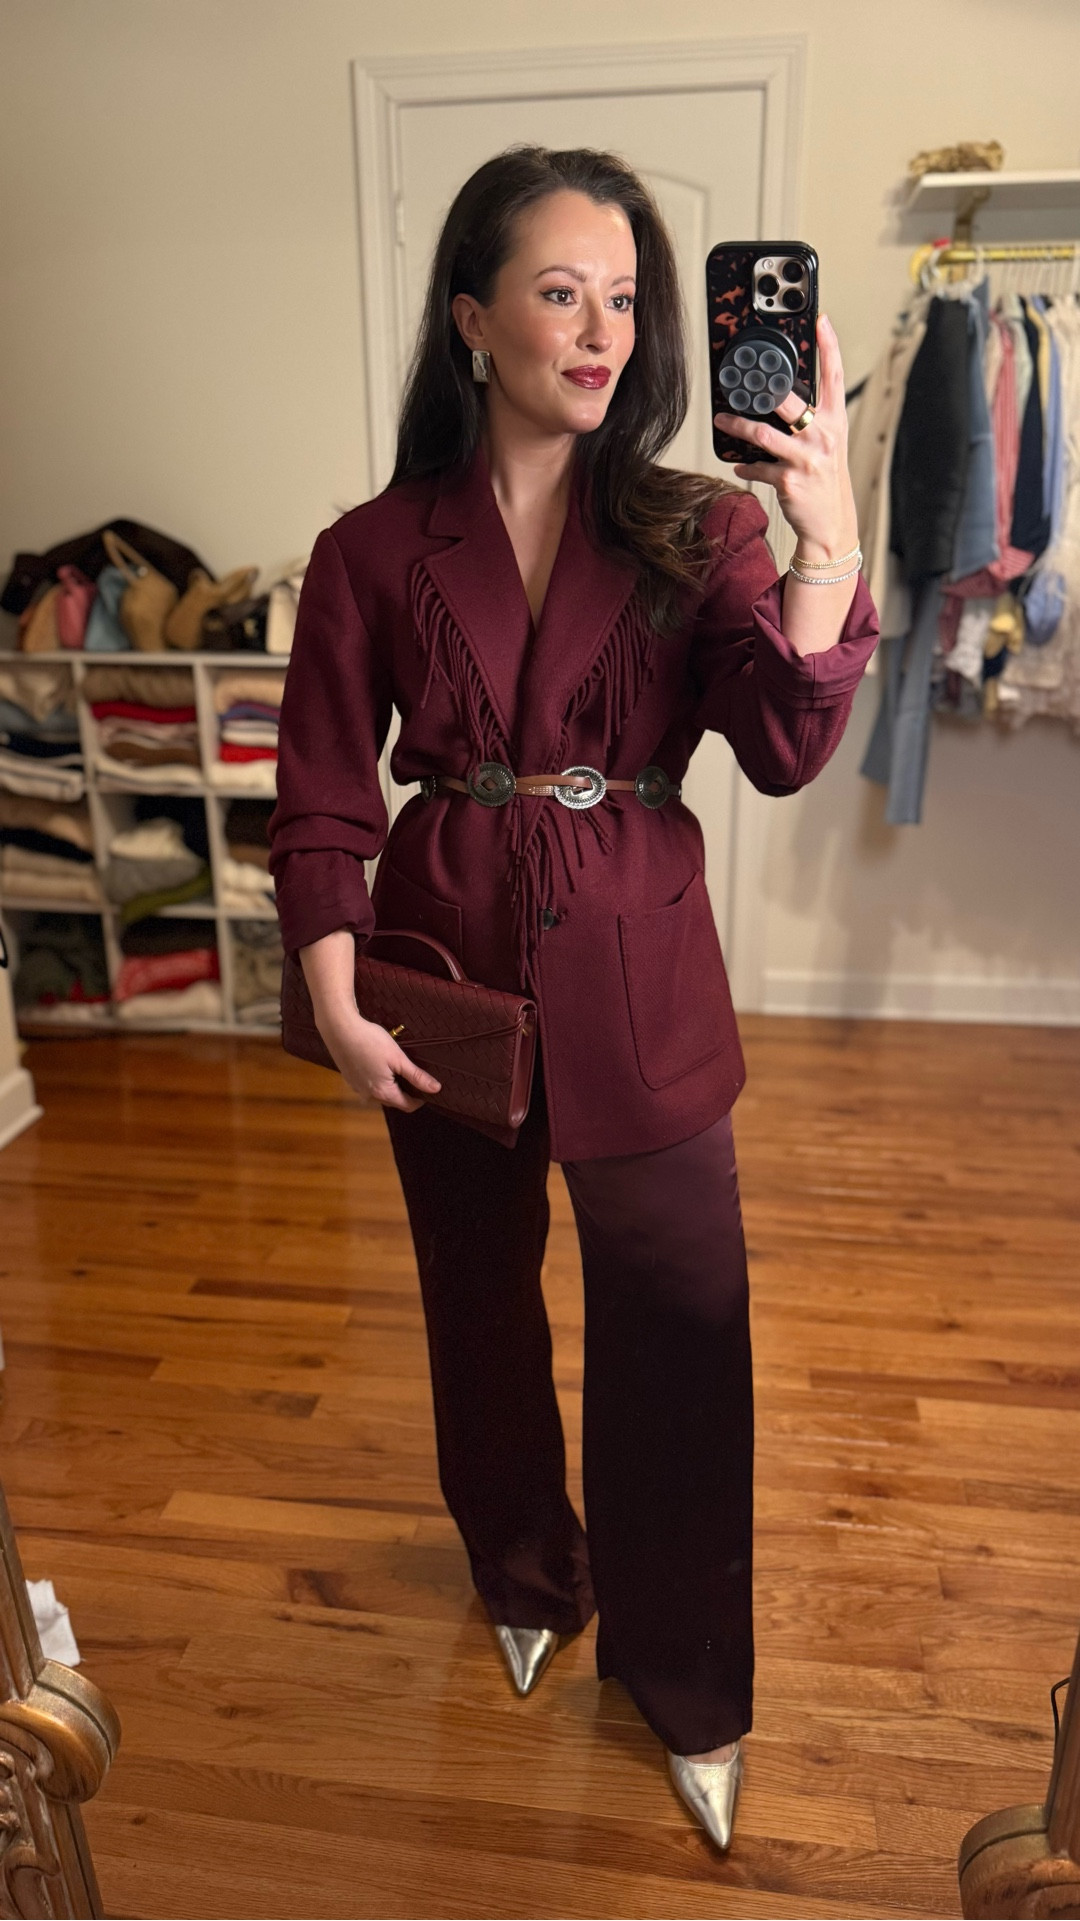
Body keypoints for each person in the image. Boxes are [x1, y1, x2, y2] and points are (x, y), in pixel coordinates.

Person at [269, 145, 878, 1853]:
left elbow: (783, 743)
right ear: (473, 318)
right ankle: (527, 1569)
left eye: (624, 297)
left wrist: (826, 535)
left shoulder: (705, 522)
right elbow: (323, 788)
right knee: (477, 1305)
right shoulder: (372, 547)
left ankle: (687, 1680)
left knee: (681, 1326)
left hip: (642, 967)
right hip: (442, 970)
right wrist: (335, 990)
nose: (602, 329)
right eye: (560, 292)